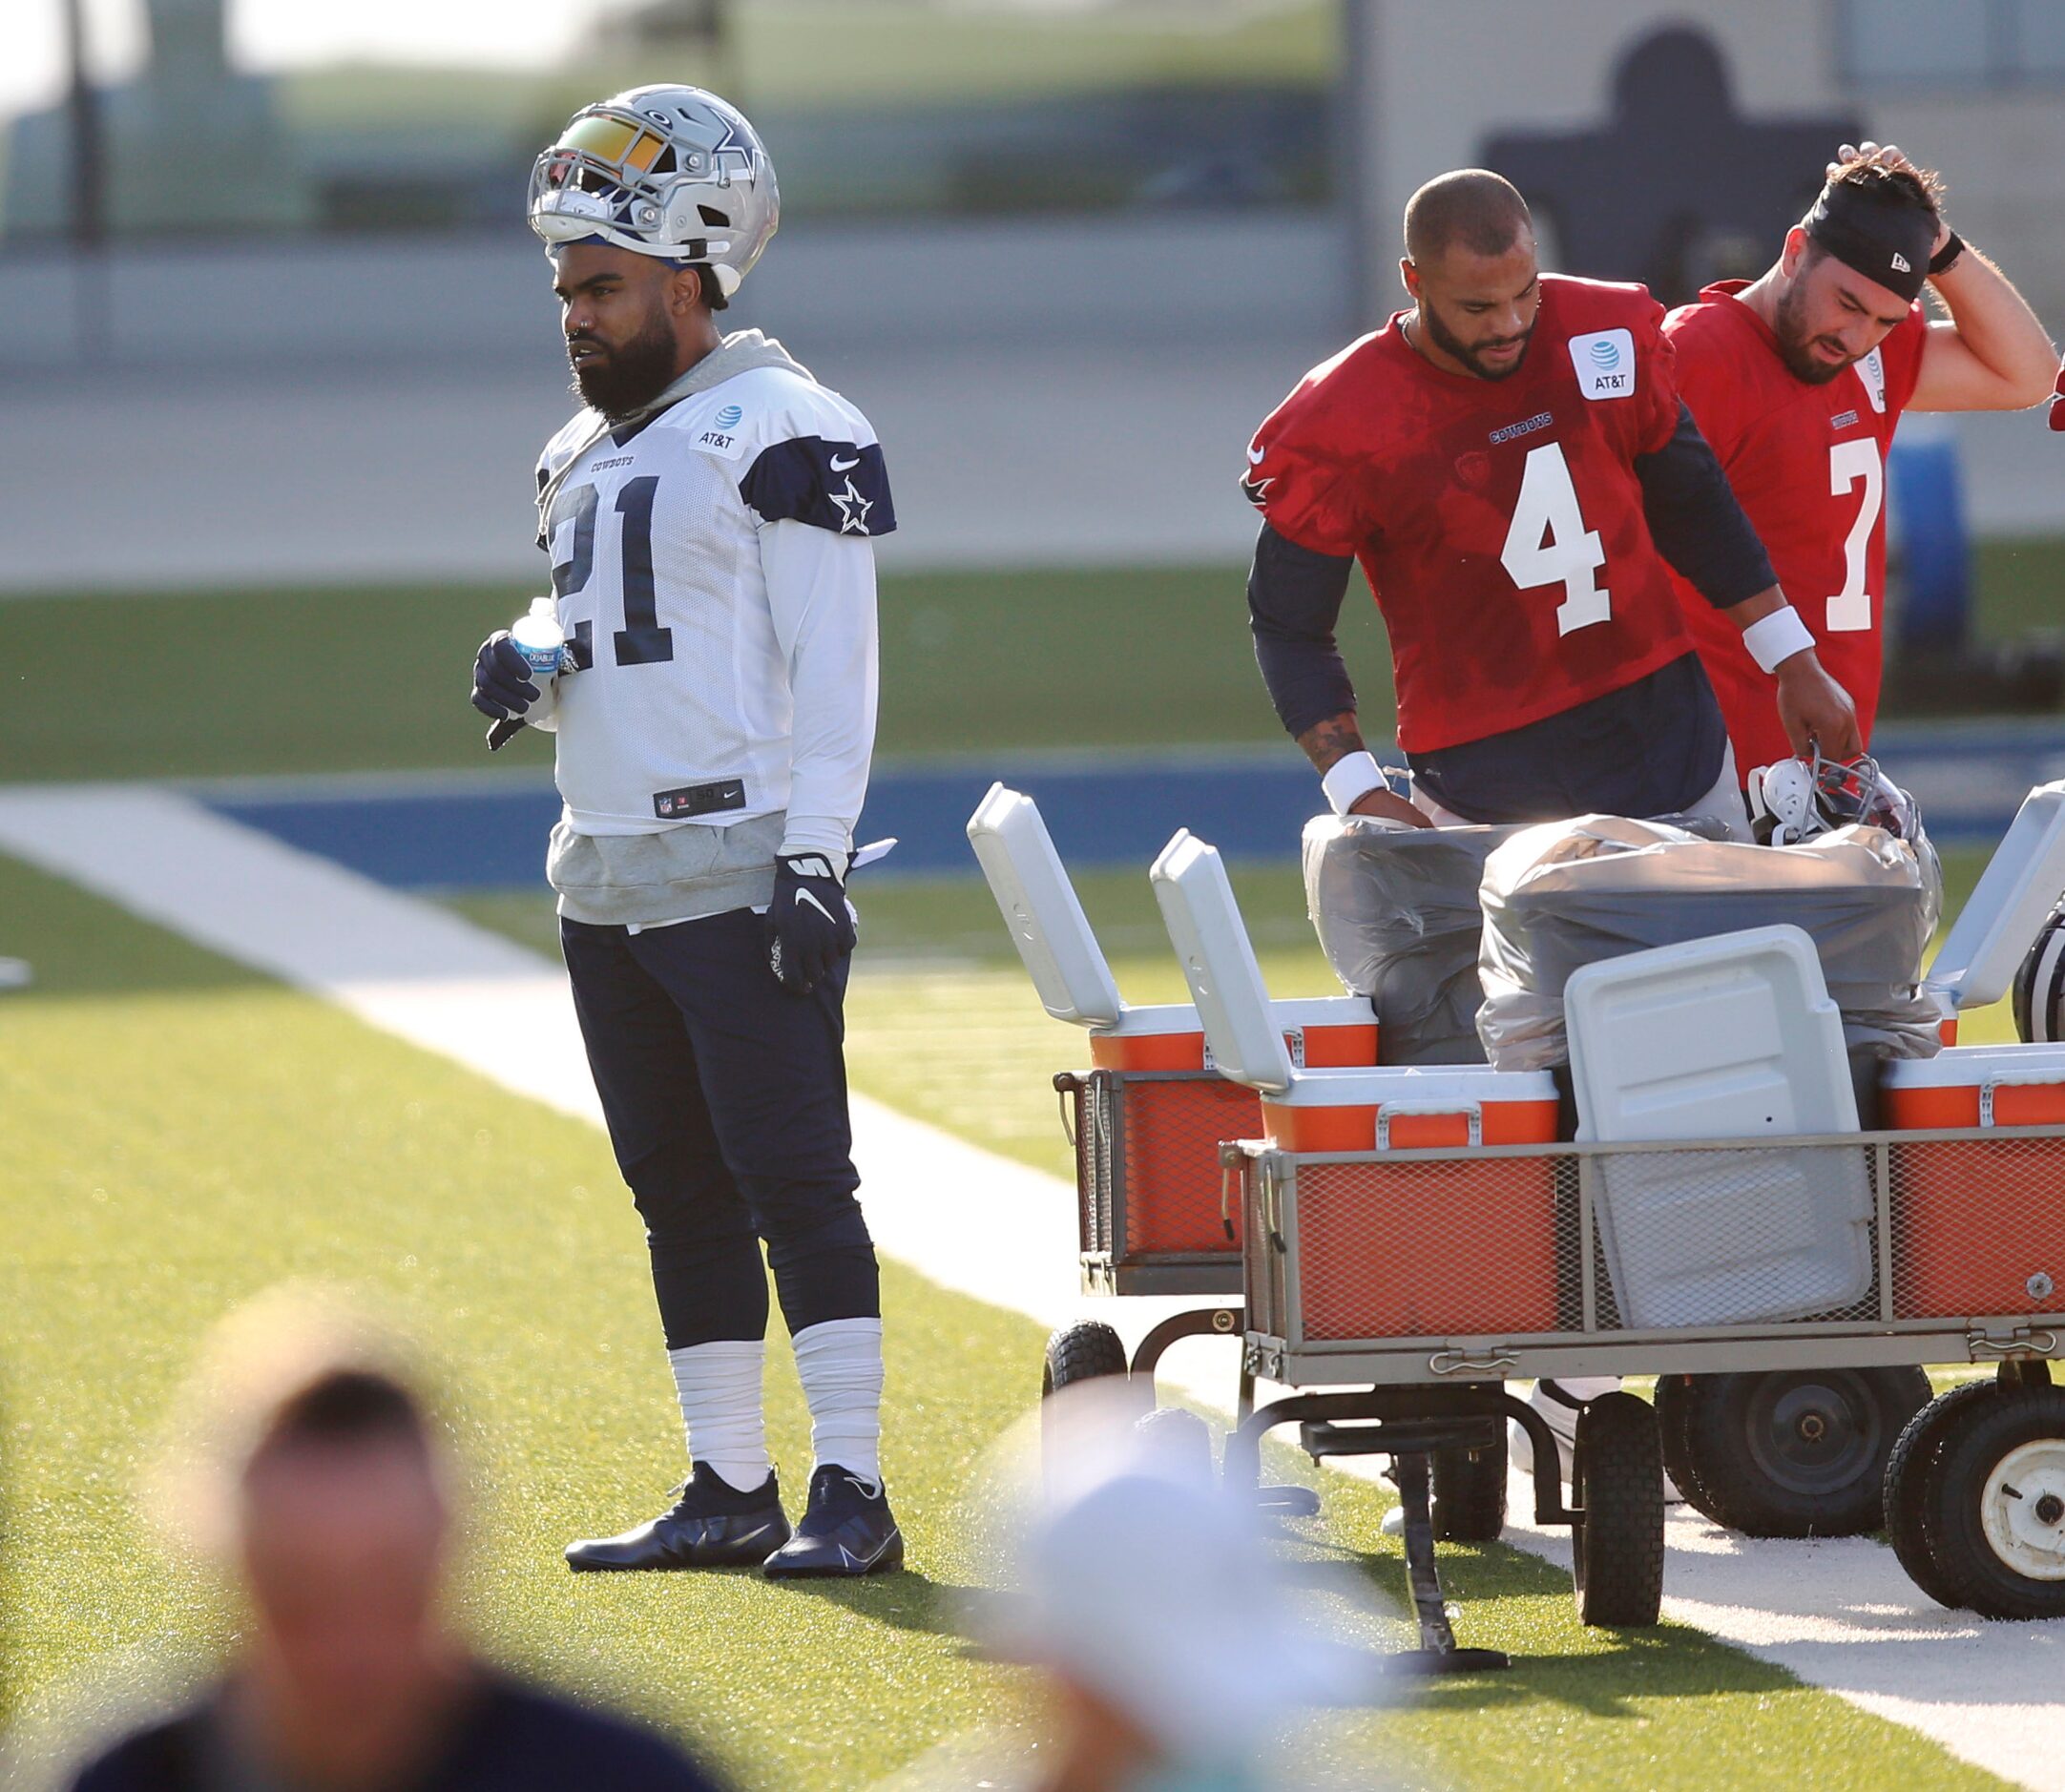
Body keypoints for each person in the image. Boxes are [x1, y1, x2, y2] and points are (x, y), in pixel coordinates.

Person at [470, 86, 901, 1577]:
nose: (575, 315)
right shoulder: (577, 448)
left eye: (600, 285)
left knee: (796, 1175)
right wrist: (527, 663)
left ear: (690, 267)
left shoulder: (789, 425)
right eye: (566, 290)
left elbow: (834, 669)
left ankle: (855, 1484)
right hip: (604, 861)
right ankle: (728, 1479)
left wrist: (817, 855)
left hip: (738, 853)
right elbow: (617, 627)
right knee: (675, 1186)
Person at [1242, 168, 1860, 836]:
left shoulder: (1603, 332)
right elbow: (1288, 625)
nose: (1509, 324)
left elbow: (1694, 502)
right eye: (1478, 308)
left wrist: (1794, 659)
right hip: (1484, 773)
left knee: (1723, 937)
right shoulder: (1344, 415)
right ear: (1415, 282)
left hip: (1664, 730)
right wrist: (1356, 787)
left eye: (1525, 293)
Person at [71, 1305, 725, 1790]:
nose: (350, 1653)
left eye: (393, 1592)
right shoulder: (114, 1777)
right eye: (298, 1598)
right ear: (224, 1563)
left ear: (454, 1550)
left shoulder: (624, 1778)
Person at [1664, 142, 2058, 777]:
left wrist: (1942, 249)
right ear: (1796, 252)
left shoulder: (1866, 352)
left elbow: (2030, 375)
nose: (1855, 337)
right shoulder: (1703, 352)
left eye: (1884, 318)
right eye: (1846, 303)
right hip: (1716, 765)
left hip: (1820, 760)